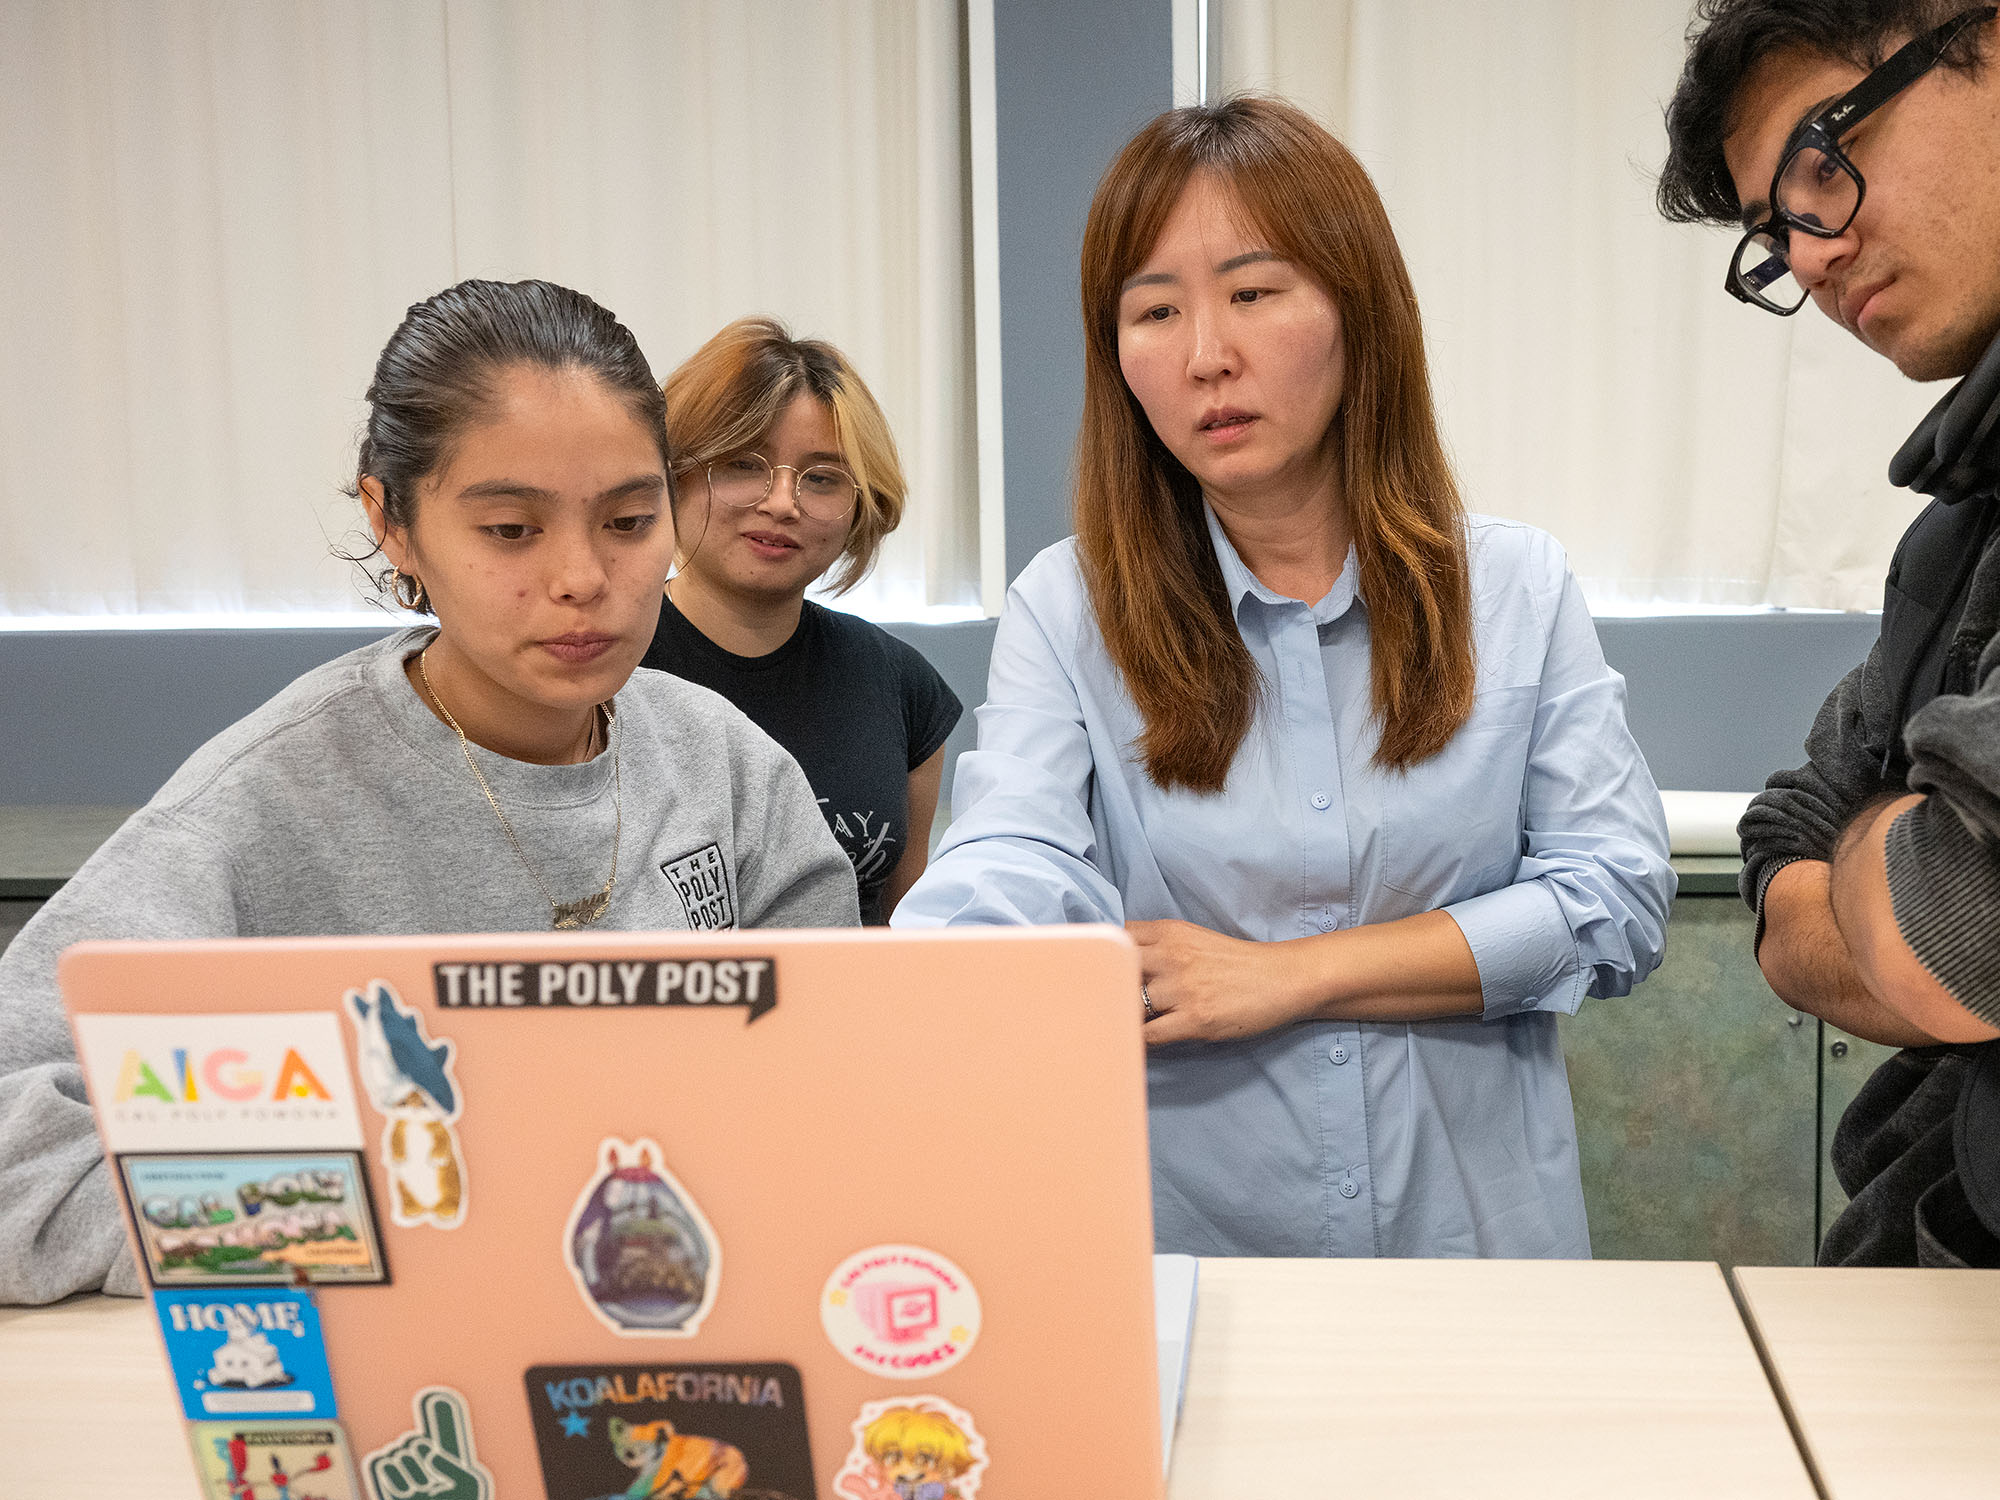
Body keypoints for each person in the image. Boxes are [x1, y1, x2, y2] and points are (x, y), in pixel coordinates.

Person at [893, 97, 1675, 1258]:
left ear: (1358, 312)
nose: (1206, 353)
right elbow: (1014, 849)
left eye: (1252, 294)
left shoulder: (1512, 586)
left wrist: (1285, 978)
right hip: (1194, 1261)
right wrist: (935, 975)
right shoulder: (1068, 607)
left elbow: (1612, 900)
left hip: (1473, 1259)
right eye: (1153, 311)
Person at [0, 279, 859, 1305]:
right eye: (509, 530)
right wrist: (363, 1227)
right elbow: (22, 1160)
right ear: (394, 523)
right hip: (393, 1377)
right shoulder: (259, 807)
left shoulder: (729, 769)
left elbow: (834, 1088)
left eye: (629, 521)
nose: (582, 577)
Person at [1659, 1, 2000, 1265]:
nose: (1805, 255)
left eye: (1819, 162)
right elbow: (1783, 829)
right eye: (1772, 230)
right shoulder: (1958, 523)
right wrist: (1883, 849)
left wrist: (1887, 867)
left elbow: (1949, 935)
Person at [641, 317, 961, 925]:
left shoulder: (903, 687)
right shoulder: (600, 666)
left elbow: (899, 930)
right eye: (741, 464)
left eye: (820, 479)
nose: (783, 503)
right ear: (670, 474)